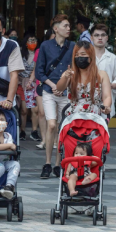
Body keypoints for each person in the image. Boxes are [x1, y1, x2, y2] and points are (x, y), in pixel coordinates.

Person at [35, 14, 75, 179]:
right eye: (65, 25)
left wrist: (63, 86)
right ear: (55, 28)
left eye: (69, 26)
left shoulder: (73, 46)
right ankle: (47, 163)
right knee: (51, 124)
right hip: (49, 91)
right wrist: (53, 86)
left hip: (66, 92)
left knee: (62, 126)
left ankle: (58, 164)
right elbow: (39, 71)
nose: (68, 28)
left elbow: (74, 70)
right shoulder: (45, 45)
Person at [57, 40, 112, 116]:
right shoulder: (69, 73)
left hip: (94, 117)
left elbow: (107, 96)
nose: (79, 57)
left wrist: (106, 106)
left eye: (83, 54)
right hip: (73, 117)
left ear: (91, 56)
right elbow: (59, 88)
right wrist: (65, 77)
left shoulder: (101, 75)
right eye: (76, 55)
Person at [30, 28, 56, 150]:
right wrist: (30, 80)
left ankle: (54, 141)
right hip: (41, 84)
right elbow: (36, 69)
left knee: (54, 115)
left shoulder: (63, 50)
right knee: (42, 112)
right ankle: (44, 140)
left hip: (56, 85)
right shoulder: (40, 51)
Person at [91, 24, 116, 118]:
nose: (100, 38)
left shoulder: (113, 58)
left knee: (103, 130)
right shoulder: (86, 57)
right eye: (96, 35)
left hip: (106, 101)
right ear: (91, 38)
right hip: (88, 100)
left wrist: (111, 85)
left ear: (107, 38)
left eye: (103, 35)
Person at [17, 34, 40, 142]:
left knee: (35, 109)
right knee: (24, 110)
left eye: (34, 40)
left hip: (34, 84)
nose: (33, 42)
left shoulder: (39, 54)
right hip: (22, 84)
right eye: (30, 40)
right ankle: (22, 131)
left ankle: (34, 131)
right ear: (26, 43)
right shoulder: (21, 54)